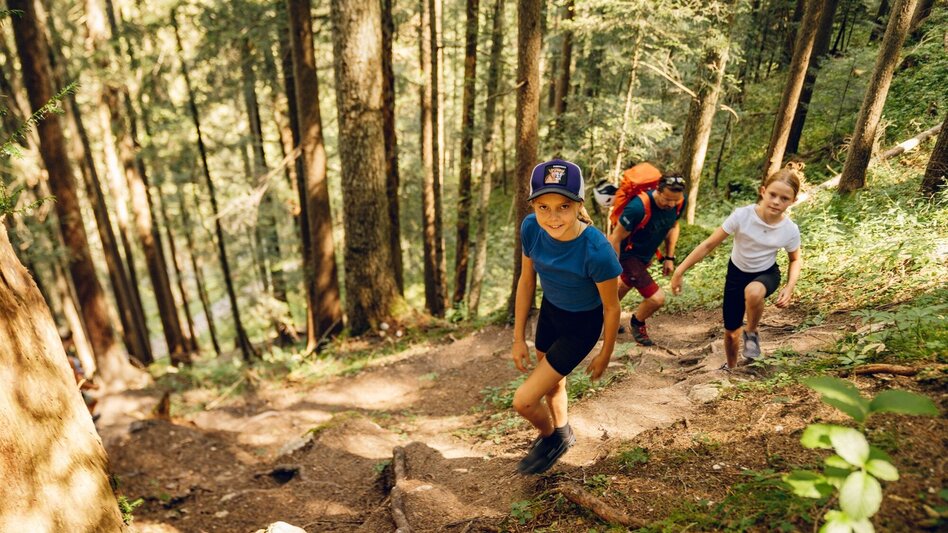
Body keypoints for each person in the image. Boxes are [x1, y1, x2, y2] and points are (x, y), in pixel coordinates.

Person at [511, 159, 621, 475]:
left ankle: (552, 438)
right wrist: (518, 337)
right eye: (543, 206)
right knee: (552, 384)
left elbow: (612, 308)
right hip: (551, 313)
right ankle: (562, 430)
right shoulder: (531, 227)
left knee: (523, 401)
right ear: (533, 205)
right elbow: (526, 279)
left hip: (581, 326)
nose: (553, 216)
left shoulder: (596, 249)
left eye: (563, 206)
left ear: (578, 205)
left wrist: (605, 353)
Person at [670, 163, 804, 370]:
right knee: (731, 333)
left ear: (793, 201)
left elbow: (795, 259)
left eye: (784, 198)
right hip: (736, 274)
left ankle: (752, 332)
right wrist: (679, 270)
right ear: (763, 192)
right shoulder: (743, 216)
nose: (777, 202)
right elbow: (708, 244)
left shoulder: (789, 229)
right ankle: (731, 367)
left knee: (753, 292)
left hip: (766, 273)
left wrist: (790, 286)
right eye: (773, 195)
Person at [607, 173, 687, 346]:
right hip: (628, 256)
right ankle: (637, 322)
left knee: (624, 286)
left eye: (675, 200)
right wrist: (613, 269)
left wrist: (669, 257)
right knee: (656, 298)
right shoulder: (637, 208)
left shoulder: (679, 202)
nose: (671, 204)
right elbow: (615, 238)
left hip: (645, 256)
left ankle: (602, 318)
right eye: (667, 199)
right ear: (658, 190)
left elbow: (673, 225)